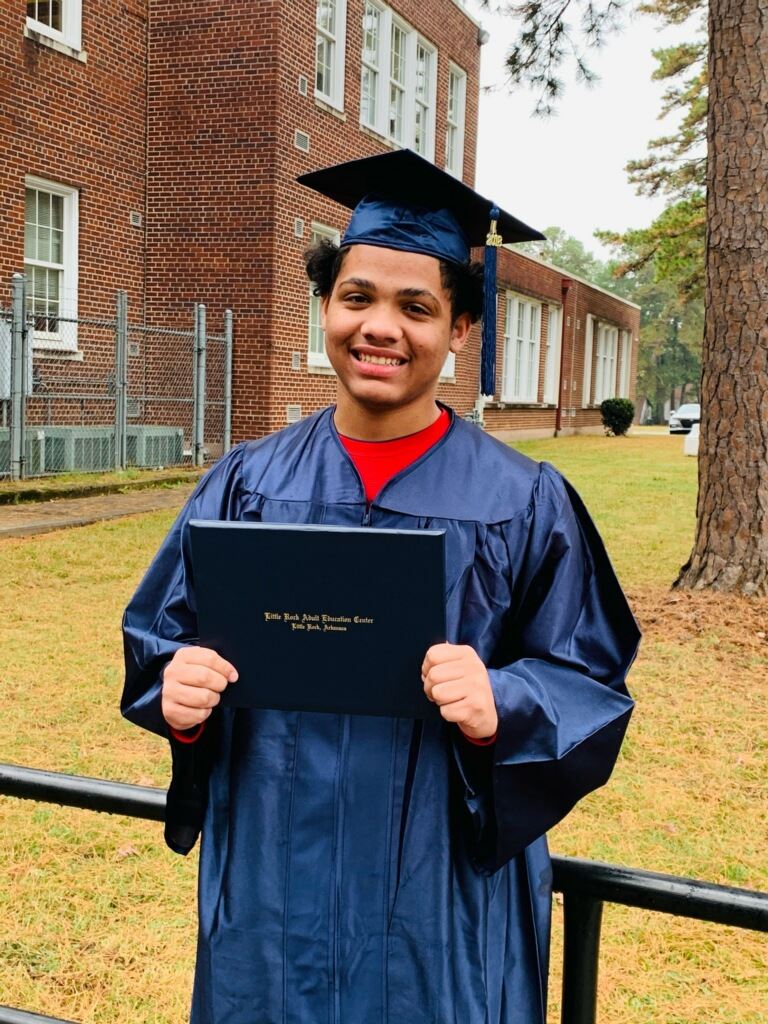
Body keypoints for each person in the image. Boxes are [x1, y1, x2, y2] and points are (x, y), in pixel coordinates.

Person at [122, 149, 639, 1024]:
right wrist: (174, 685)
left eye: (417, 307)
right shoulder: (246, 484)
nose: (380, 328)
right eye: (357, 298)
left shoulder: (524, 501)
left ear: (461, 330)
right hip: (273, 883)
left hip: (440, 904)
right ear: (327, 305)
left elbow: (588, 681)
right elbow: (159, 637)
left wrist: (505, 701)